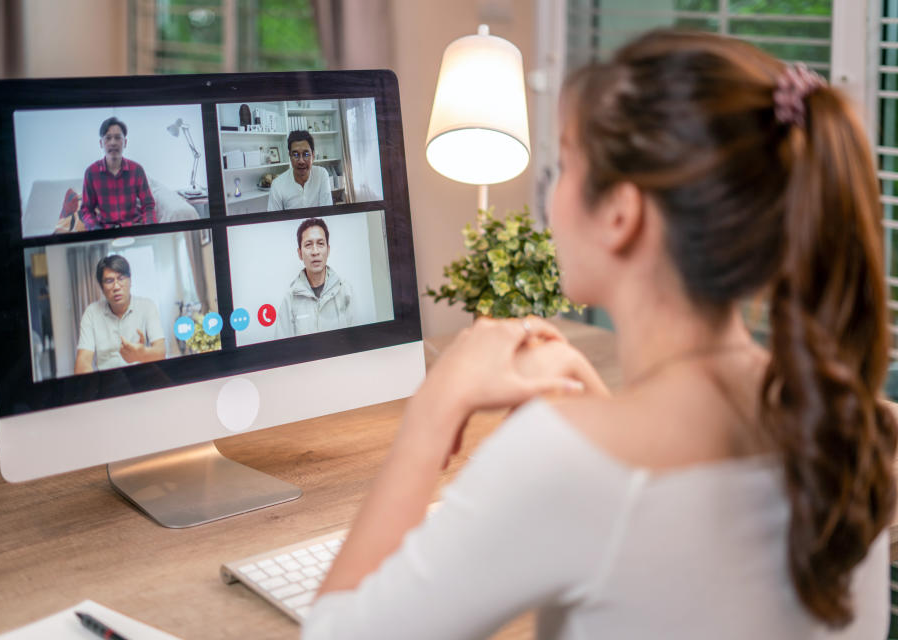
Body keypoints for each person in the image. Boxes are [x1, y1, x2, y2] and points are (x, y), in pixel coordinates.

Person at [302, 30, 896, 639]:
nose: (552, 199)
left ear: (621, 214)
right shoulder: (848, 425)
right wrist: (605, 417)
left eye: (564, 166)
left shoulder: (562, 460)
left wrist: (435, 407)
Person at [59, 117, 157, 232]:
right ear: (101, 143)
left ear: (125, 142)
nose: (113, 142)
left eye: (117, 138)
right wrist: (96, 230)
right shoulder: (91, 173)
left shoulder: (137, 170)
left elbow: (148, 205)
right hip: (105, 231)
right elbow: (86, 210)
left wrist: (150, 229)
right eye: (108, 138)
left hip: (134, 227)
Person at [74, 254, 165, 373]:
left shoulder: (147, 306)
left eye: (121, 278)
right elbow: (83, 362)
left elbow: (161, 352)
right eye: (109, 281)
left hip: (142, 379)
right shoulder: (91, 313)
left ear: (130, 280)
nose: (116, 286)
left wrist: (141, 354)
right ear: (101, 287)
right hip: (107, 383)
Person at [275, 218, 353, 338]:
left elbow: (358, 339)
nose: (315, 252)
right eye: (308, 245)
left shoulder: (345, 290)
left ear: (328, 250)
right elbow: (283, 350)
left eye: (321, 244)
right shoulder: (290, 299)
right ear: (300, 253)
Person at [267, 130, 333, 211]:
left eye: (306, 154)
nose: (301, 161)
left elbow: (327, 212)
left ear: (313, 155)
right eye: (295, 155)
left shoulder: (321, 174)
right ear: (290, 157)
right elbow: (274, 221)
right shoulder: (277, 185)